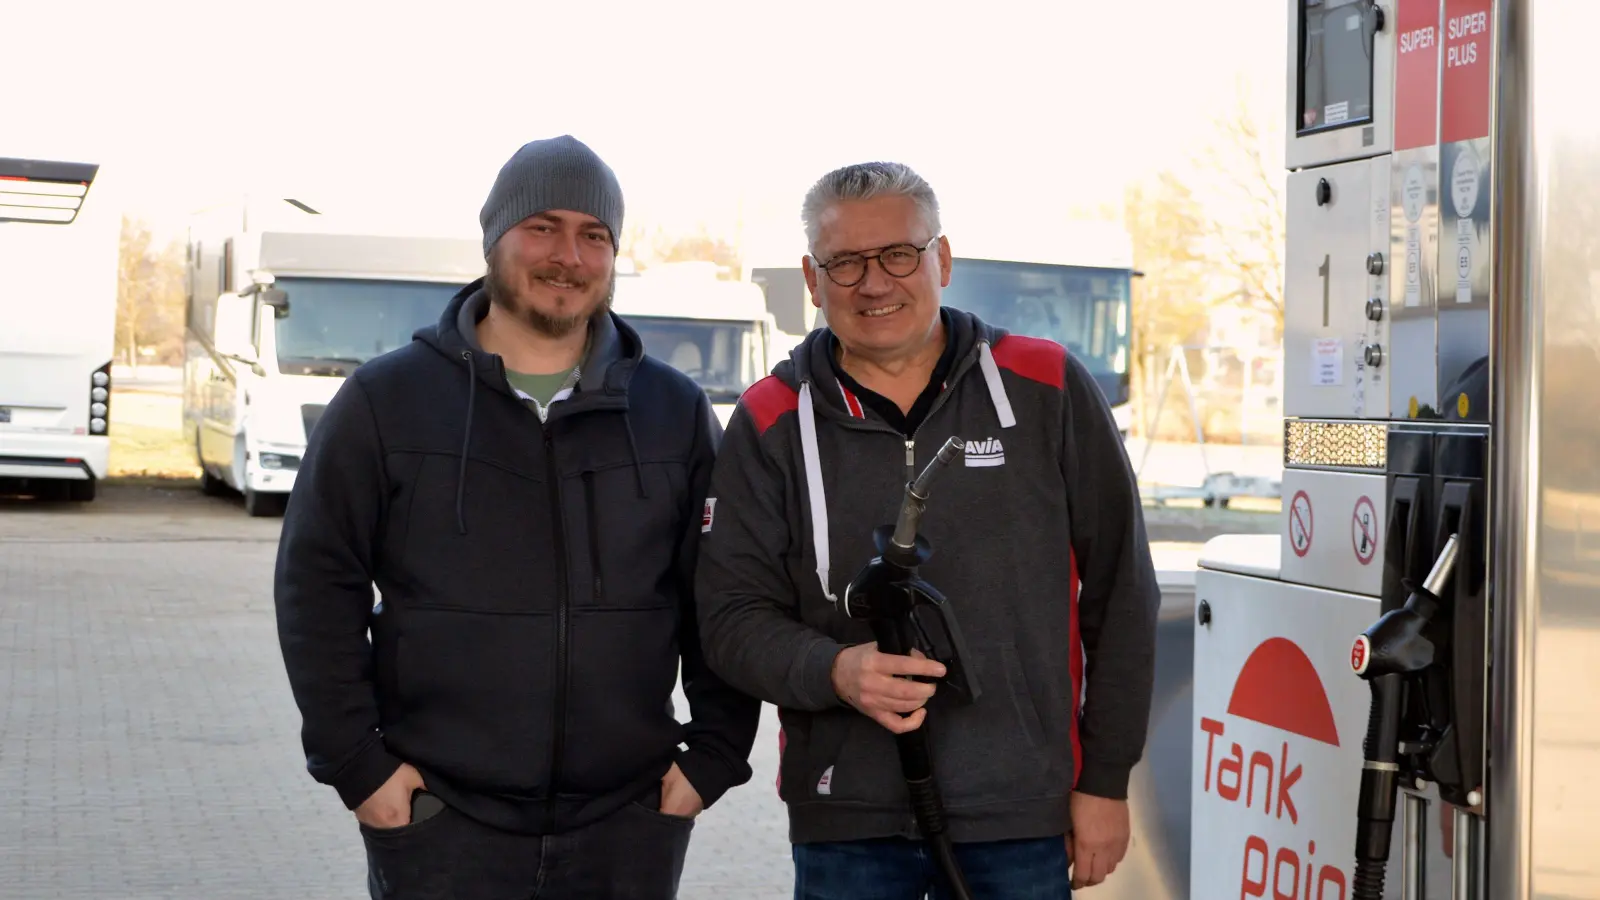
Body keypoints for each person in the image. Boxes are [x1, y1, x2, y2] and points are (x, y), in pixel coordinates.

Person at [273, 134, 762, 899]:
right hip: (439, 816)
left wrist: (711, 757)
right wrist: (357, 764)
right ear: (495, 237)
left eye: (593, 235)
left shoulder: (673, 411)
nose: (568, 255)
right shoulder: (386, 402)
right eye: (544, 226)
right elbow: (316, 584)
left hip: (628, 819)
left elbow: (723, 592)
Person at [693, 161, 1159, 897]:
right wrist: (834, 671)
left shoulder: (1047, 386)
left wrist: (1104, 781)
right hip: (846, 823)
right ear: (813, 282)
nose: (874, 283)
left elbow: (1122, 597)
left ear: (941, 259)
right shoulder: (769, 418)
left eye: (898, 254)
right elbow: (728, 619)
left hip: (1020, 818)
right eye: (845, 262)